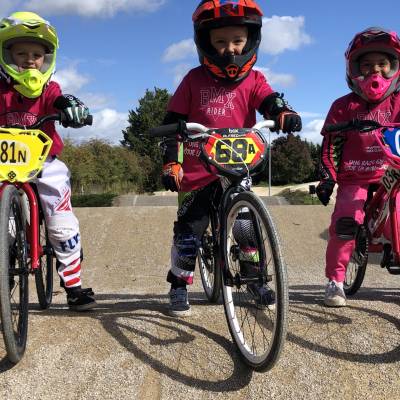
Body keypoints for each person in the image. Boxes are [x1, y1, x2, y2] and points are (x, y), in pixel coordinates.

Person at [161, 0, 302, 317]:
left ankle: (254, 279)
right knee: (189, 232)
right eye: (220, 41)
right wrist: (172, 161)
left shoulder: (254, 80)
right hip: (197, 173)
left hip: (237, 168)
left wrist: (283, 112)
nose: (230, 49)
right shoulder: (193, 80)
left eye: (238, 40)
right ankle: (179, 284)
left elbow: (270, 101)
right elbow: (173, 124)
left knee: (246, 227)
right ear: (206, 43)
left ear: (251, 40)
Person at [0, 11, 96, 311]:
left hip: (43, 160)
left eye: (37, 55)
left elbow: (58, 99)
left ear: (46, 59)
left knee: (61, 218)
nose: (30, 60)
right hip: (4, 164)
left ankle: (73, 286)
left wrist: (70, 106)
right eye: (21, 53)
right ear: (7, 55)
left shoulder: (49, 88)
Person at [316, 27, 400, 307]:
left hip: (393, 171)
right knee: (345, 221)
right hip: (354, 175)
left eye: (383, 64)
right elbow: (330, 146)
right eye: (367, 65)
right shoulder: (343, 106)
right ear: (353, 70)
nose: (375, 72)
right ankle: (335, 281)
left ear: (394, 67)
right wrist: (327, 177)